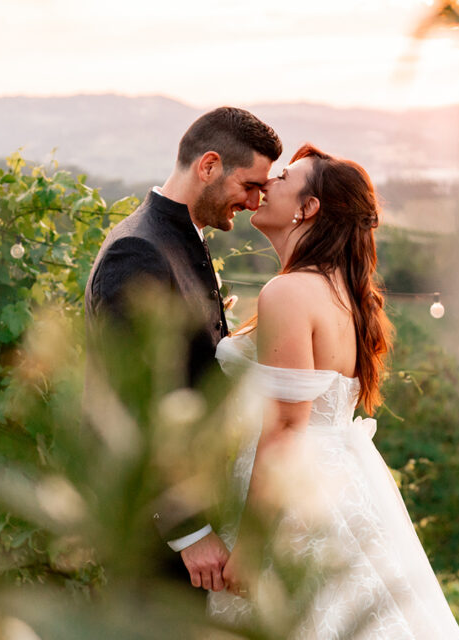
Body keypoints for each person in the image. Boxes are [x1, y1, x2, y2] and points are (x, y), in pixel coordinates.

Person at [208, 144, 459, 637]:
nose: (269, 182)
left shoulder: (288, 292)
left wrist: (253, 543)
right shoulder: (341, 291)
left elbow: (285, 424)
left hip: (293, 500)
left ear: (308, 209)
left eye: (284, 177)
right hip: (335, 484)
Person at [84, 106, 282, 593]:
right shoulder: (139, 251)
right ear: (209, 166)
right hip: (156, 541)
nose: (257, 202)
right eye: (251, 186)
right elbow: (135, 403)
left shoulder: (177, 237)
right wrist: (187, 530)